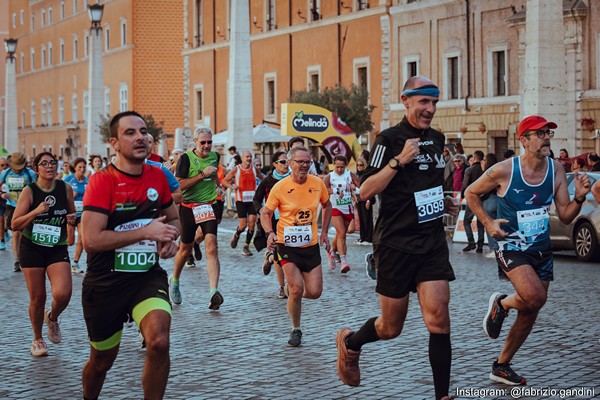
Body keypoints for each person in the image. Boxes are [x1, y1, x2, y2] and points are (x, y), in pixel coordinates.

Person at [335, 76, 458, 400]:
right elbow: (365, 190)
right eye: (423, 102)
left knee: (439, 318)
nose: (430, 109)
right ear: (406, 101)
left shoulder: (437, 139)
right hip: (394, 243)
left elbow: (424, 187)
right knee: (391, 327)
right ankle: (351, 343)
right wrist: (398, 161)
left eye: (434, 102)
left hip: (430, 242)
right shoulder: (387, 140)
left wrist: (443, 200)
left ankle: (441, 395)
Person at [464, 115, 590, 386]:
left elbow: (566, 215)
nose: (546, 137)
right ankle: (501, 303)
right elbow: (470, 193)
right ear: (524, 140)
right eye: (540, 133)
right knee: (533, 296)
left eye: (548, 133)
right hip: (511, 245)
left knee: (532, 308)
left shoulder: (555, 169)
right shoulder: (504, 170)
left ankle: (501, 365)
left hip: (540, 248)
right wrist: (488, 222)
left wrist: (579, 197)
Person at [80, 111, 180, 400]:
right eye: (130, 133)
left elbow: (173, 220)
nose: (140, 138)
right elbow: (91, 239)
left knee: (159, 341)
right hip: (105, 282)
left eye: (144, 131)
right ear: (114, 142)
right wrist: (146, 232)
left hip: (146, 278)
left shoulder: (158, 176)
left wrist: (170, 239)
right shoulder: (102, 182)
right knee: (101, 362)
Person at [260, 146, 332, 347]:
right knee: (297, 288)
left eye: (307, 162)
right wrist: (269, 233)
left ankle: (293, 296)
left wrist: (324, 232)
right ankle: (296, 329)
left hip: (310, 246)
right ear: (290, 163)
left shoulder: (317, 183)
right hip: (286, 244)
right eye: (299, 162)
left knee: (315, 292)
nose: (304, 165)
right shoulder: (281, 187)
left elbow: (327, 205)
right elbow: (265, 213)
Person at [12, 152, 76, 356]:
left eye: (52, 163)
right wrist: (35, 211)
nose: (49, 166)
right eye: (44, 163)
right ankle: (37, 340)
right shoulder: (29, 191)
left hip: (57, 246)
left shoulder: (65, 188)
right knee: (38, 297)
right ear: (36, 168)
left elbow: (71, 221)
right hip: (32, 248)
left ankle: (53, 317)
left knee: (63, 293)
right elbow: (15, 224)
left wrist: (72, 222)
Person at [170, 126, 224, 309]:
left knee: (212, 248)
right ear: (195, 142)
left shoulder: (215, 156)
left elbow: (214, 174)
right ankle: (175, 280)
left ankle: (213, 292)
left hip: (208, 206)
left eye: (209, 142)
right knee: (185, 250)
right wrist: (202, 175)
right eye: (203, 142)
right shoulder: (185, 158)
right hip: (188, 208)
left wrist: (218, 187)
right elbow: (179, 185)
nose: (207, 145)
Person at [252, 150, 290, 299]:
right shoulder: (267, 181)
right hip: (273, 220)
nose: (286, 164)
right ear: (274, 164)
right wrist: (260, 210)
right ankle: (282, 286)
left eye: (287, 161)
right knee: (279, 253)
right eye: (282, 162)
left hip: (290, 220)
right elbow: (256, 199)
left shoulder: (293, 178)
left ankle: (270, 258)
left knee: (290, 251)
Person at [323, 155, 361, 273]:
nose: (339, 169)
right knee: (342, 233)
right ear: (333, 165)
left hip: (347, 207)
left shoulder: (350, 175)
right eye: (337, 167)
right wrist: (334, 191)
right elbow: (323, 191)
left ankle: (331, 252)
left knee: (341, 233)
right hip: (335, 208)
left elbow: (361, 189)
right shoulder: (329, 177)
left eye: (342, 167)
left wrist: (354, 189)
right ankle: (343, 261)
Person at [0, 152, 37, 271]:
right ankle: (17, 260)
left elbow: (36, 188)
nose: (17, 170)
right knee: (15, 233)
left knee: (26, 234)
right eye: (15, 168)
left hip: (27, 207)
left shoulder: (29, 173)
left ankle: (25, 256)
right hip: (12, 206)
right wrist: (2, 194)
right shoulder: (5, 173)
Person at [223, 150, 264, 257]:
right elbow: (224, 181)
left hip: (252, 200)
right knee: (243, 225)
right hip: (240, 200)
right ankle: (237, 235)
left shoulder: (254, 169)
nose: (249, 158)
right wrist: (232, 186)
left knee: (251, 225)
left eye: (250, 156)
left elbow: (263, 179)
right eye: (247, 156)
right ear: (242, 158)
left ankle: (246, 246)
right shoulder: (236, 169)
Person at [64, 158, 89, 274]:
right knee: (69, 241)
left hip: (82, 214)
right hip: (70, 213)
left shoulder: (87, 181)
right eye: (79, 167)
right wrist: (70, 196)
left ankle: (75, 263)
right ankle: (62, 260)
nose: (82, 169)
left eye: (84, 167)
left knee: (82, 238)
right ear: (75, 168)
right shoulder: (68, 180)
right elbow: (61, 195)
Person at [462, 150, 485, 253]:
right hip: (483, 199)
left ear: (474, 158)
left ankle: (471, 242)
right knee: (480, 223)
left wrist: (463, 195)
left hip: (472, 199)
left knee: (466, 221)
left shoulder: (469, 170)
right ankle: (480, 245)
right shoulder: (485, 170)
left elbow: (465, 185)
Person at [481, 153, 499, 258]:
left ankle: (494, 248)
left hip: (489, 200)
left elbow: (482, 189)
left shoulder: (487, 173)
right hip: (499, 201)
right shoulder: (499, 170)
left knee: (489, 225)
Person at [355, 157, 374, 245]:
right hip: (359, 199)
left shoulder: (367, 175)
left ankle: (368, 238)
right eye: (358, 165)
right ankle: (362, 237)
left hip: (366, 198)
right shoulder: (357, 175)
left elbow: (370, 188)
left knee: (367, 219)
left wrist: (369, 200)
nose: (359, 167)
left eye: (361, 165)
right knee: (361, 219)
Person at [0, 157, 8, 250]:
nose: (4, 167)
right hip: (0, 200)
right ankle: (2, 240)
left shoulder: (10, 175)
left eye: (6, 165)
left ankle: (6, 230)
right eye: (2, 165)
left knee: (7, 219)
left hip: (10, 201)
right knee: (1, 219)